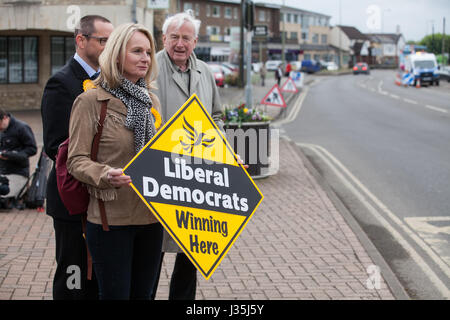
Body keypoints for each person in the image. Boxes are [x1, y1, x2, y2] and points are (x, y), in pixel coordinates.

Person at [67, 23, 163, 300]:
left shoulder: (150, 102)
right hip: (111, 221)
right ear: (117, 54)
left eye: (148, 52)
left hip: (152, 217)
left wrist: (223, 164)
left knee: (143, 296)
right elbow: (76, 160)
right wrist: (105, 174)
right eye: (137, 51)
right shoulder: (90, 101)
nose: (145, 58)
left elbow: (166, 156)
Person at [40, 15, 113, 300]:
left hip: (101, 198)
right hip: (71, 198)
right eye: (103, 40)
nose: (109, 46)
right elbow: (55, 145)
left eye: (112, 40)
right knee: (73, 275)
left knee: (96, 277)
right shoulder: (61, 82)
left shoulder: (109, 81)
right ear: (81, 40)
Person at [152, 10, 223, 300]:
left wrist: (216, 144)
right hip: (160, 173)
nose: (180, 44)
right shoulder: (149, 67)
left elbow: (216, 115)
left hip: (197, 175)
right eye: (174, 37)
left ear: (195, 41)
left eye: (186, 38)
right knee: (151, 250)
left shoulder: (205, 71)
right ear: (164, 38)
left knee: (191, 251)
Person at [0, 109, 37, 208]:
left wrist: (10, 155)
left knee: (4, 198)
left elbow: (32, 149)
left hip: (17, 173)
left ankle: (23, 193)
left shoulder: (22, 128)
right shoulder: (2, 130)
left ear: (5, 118)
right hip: (2, 173)